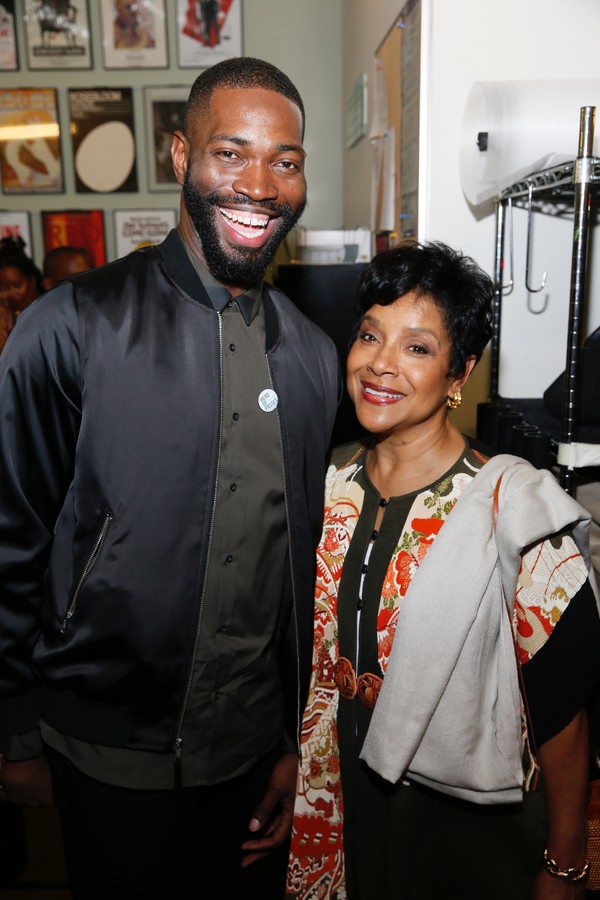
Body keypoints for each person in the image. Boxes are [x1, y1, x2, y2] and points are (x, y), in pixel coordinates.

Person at [0, 57, 339, 900]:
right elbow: (11, 536)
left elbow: (298, 568)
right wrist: (12, 727)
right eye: (232, 153)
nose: (260, 184)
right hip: (104, 753)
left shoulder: (315, 359)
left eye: (285, 161)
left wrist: (299, 740)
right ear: (181, 154)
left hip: (252, 756)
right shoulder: (68, 326)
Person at [287, 242, 600, 900]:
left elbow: (563, 711)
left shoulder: (512, 509)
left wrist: (564, 864)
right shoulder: (323, 487)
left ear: (460, 372)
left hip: (468, 836)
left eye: (417, 347)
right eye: (370, 334)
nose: (380, 363)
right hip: (338, 810)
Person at [0, 235, 43, 352]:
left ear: (32, 280)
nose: (10, 293)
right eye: (3, 288)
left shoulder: (48, 314)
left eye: (17, 285)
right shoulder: (5, 318)